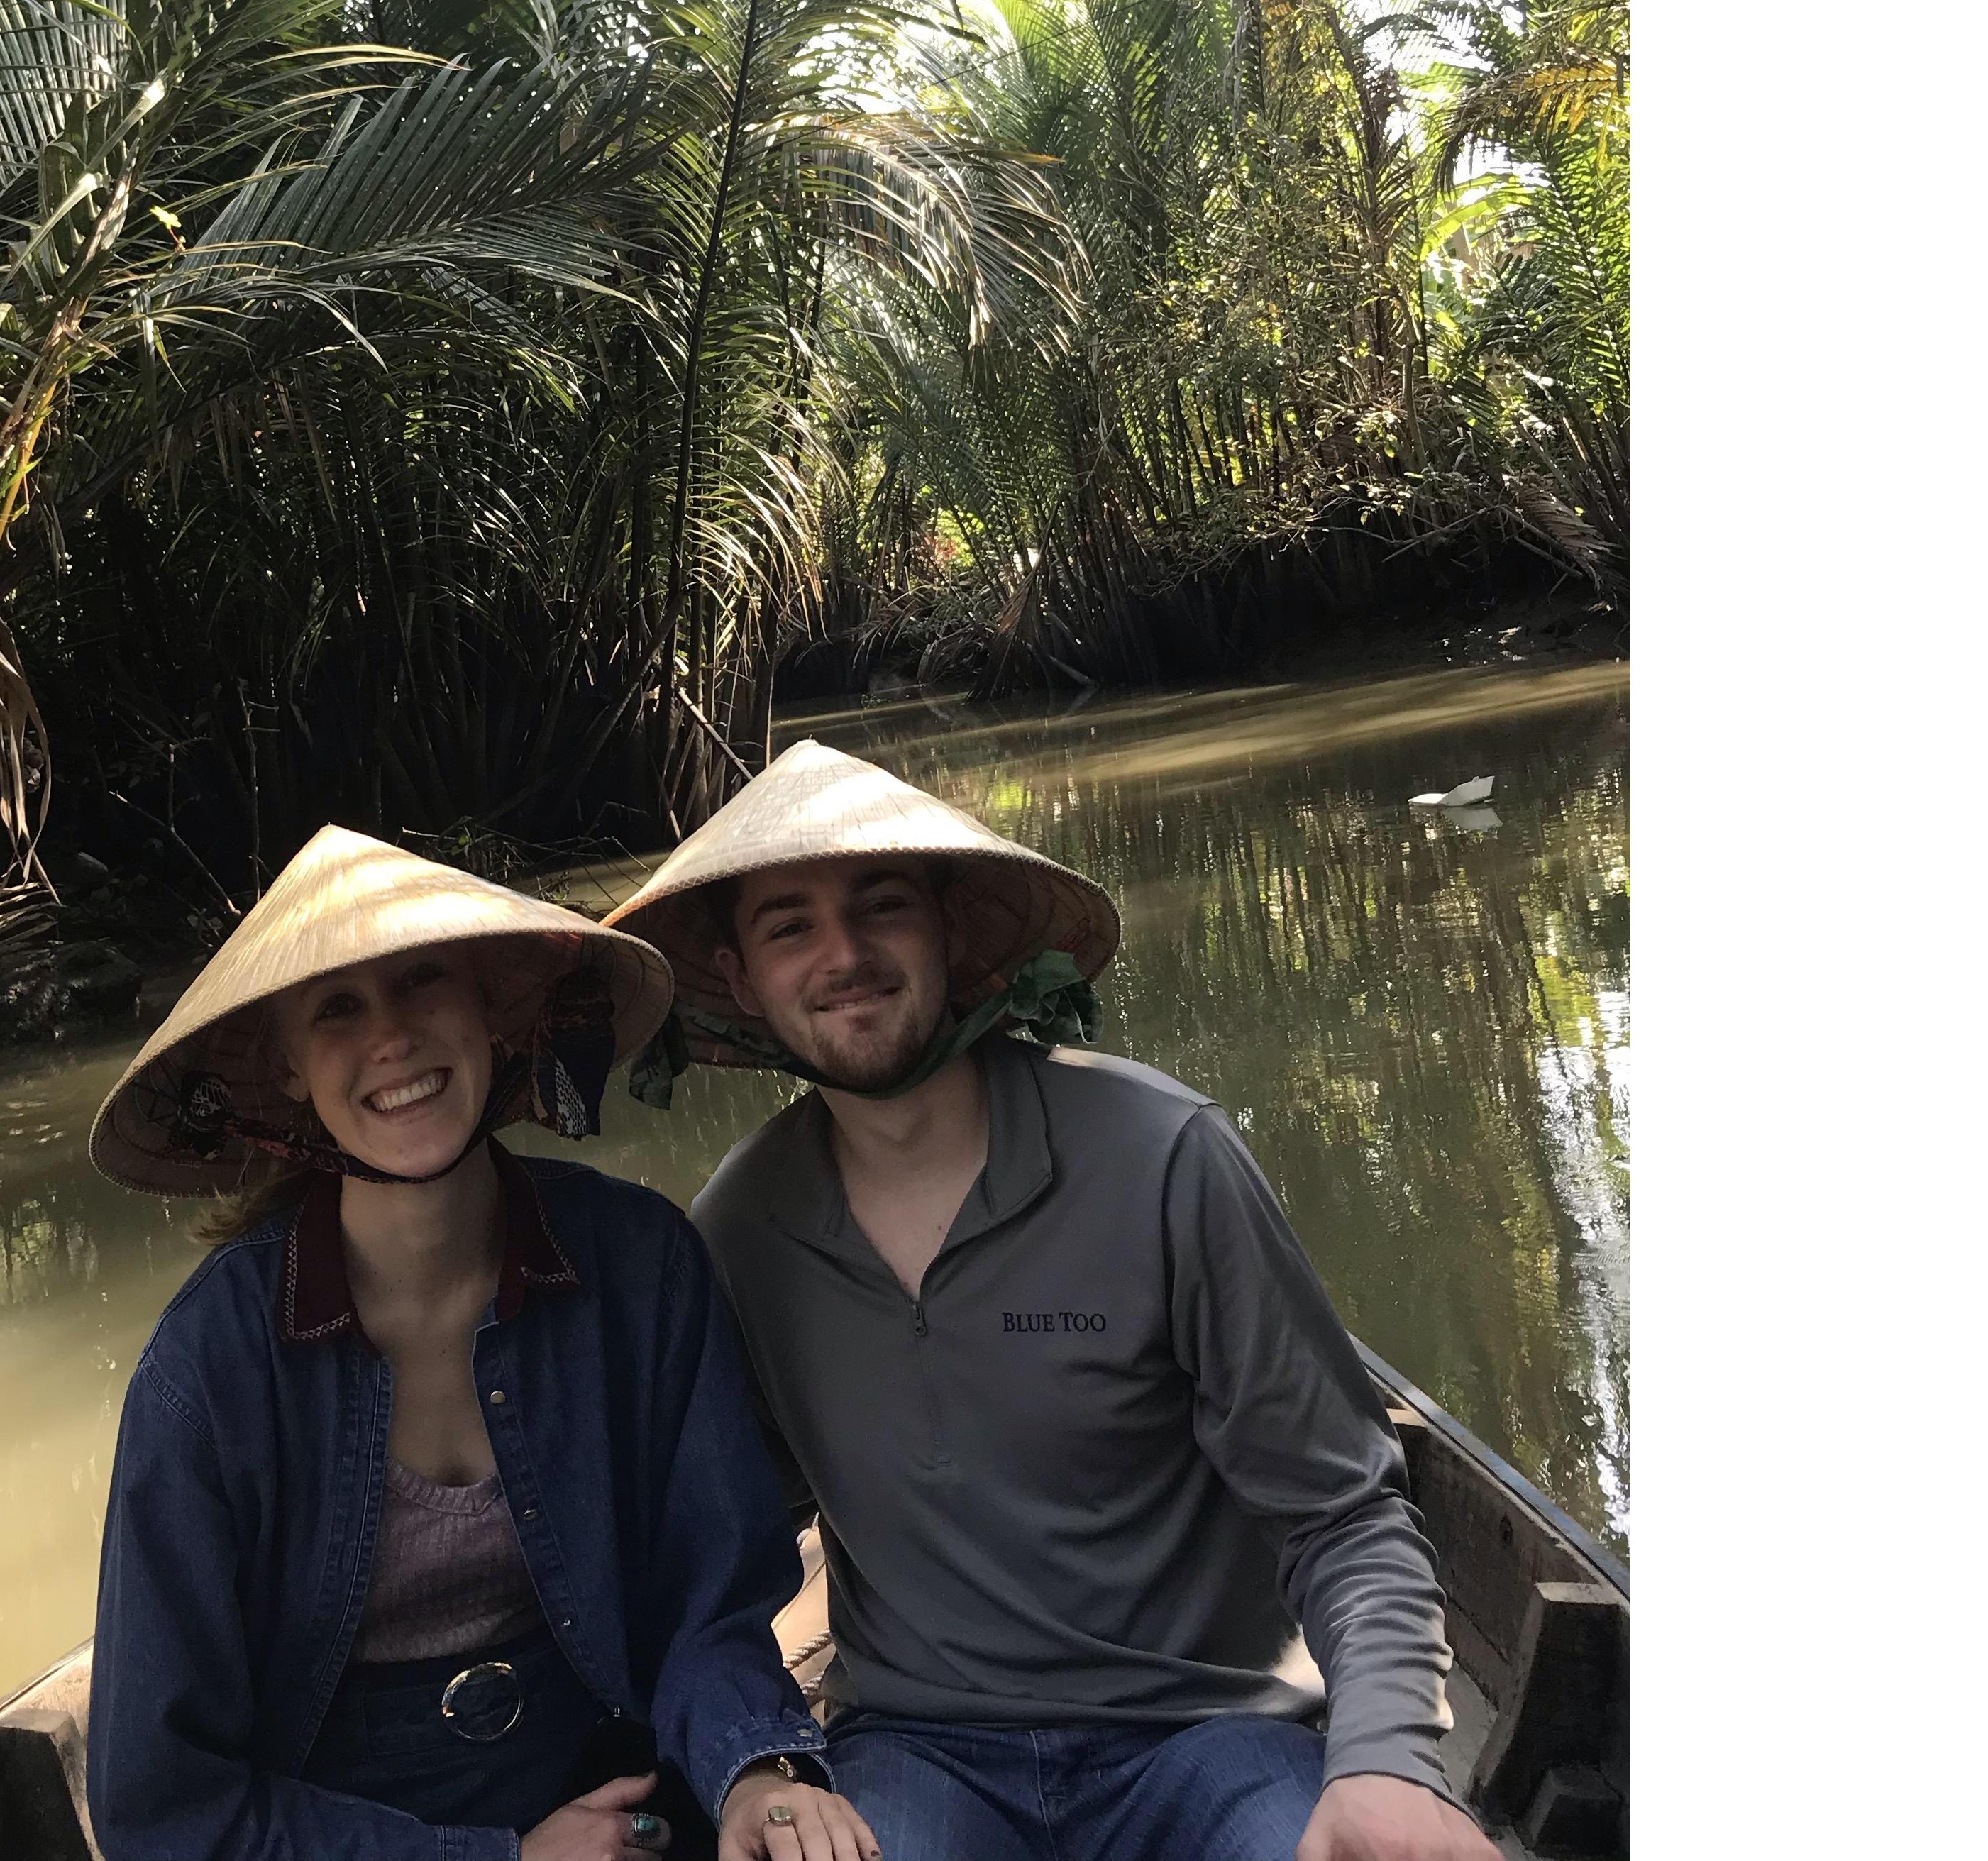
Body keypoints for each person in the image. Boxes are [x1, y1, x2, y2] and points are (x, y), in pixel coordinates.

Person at [600, 741, 1499, 1861]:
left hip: (1207, 1733)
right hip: (922, 1750)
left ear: (952, 933)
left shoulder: (1163, 1156)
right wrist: (759, 1765)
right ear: (741, 978)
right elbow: (722, 1556)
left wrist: (1389, 1762)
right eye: (790, 926)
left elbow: (1343, 1513)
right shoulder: (741, 1229)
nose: (844, 954)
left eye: (882, 905)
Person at [84, 822, 883, 1861]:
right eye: (338, 1009)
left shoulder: (638, 1266)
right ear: (289, 1067)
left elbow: (710, 1602)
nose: (393, 1039)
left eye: (423, 983)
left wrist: (754, 1772)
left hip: (626, 1791)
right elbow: (162, 1803)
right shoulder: (213, 1369)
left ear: (489, 1011)